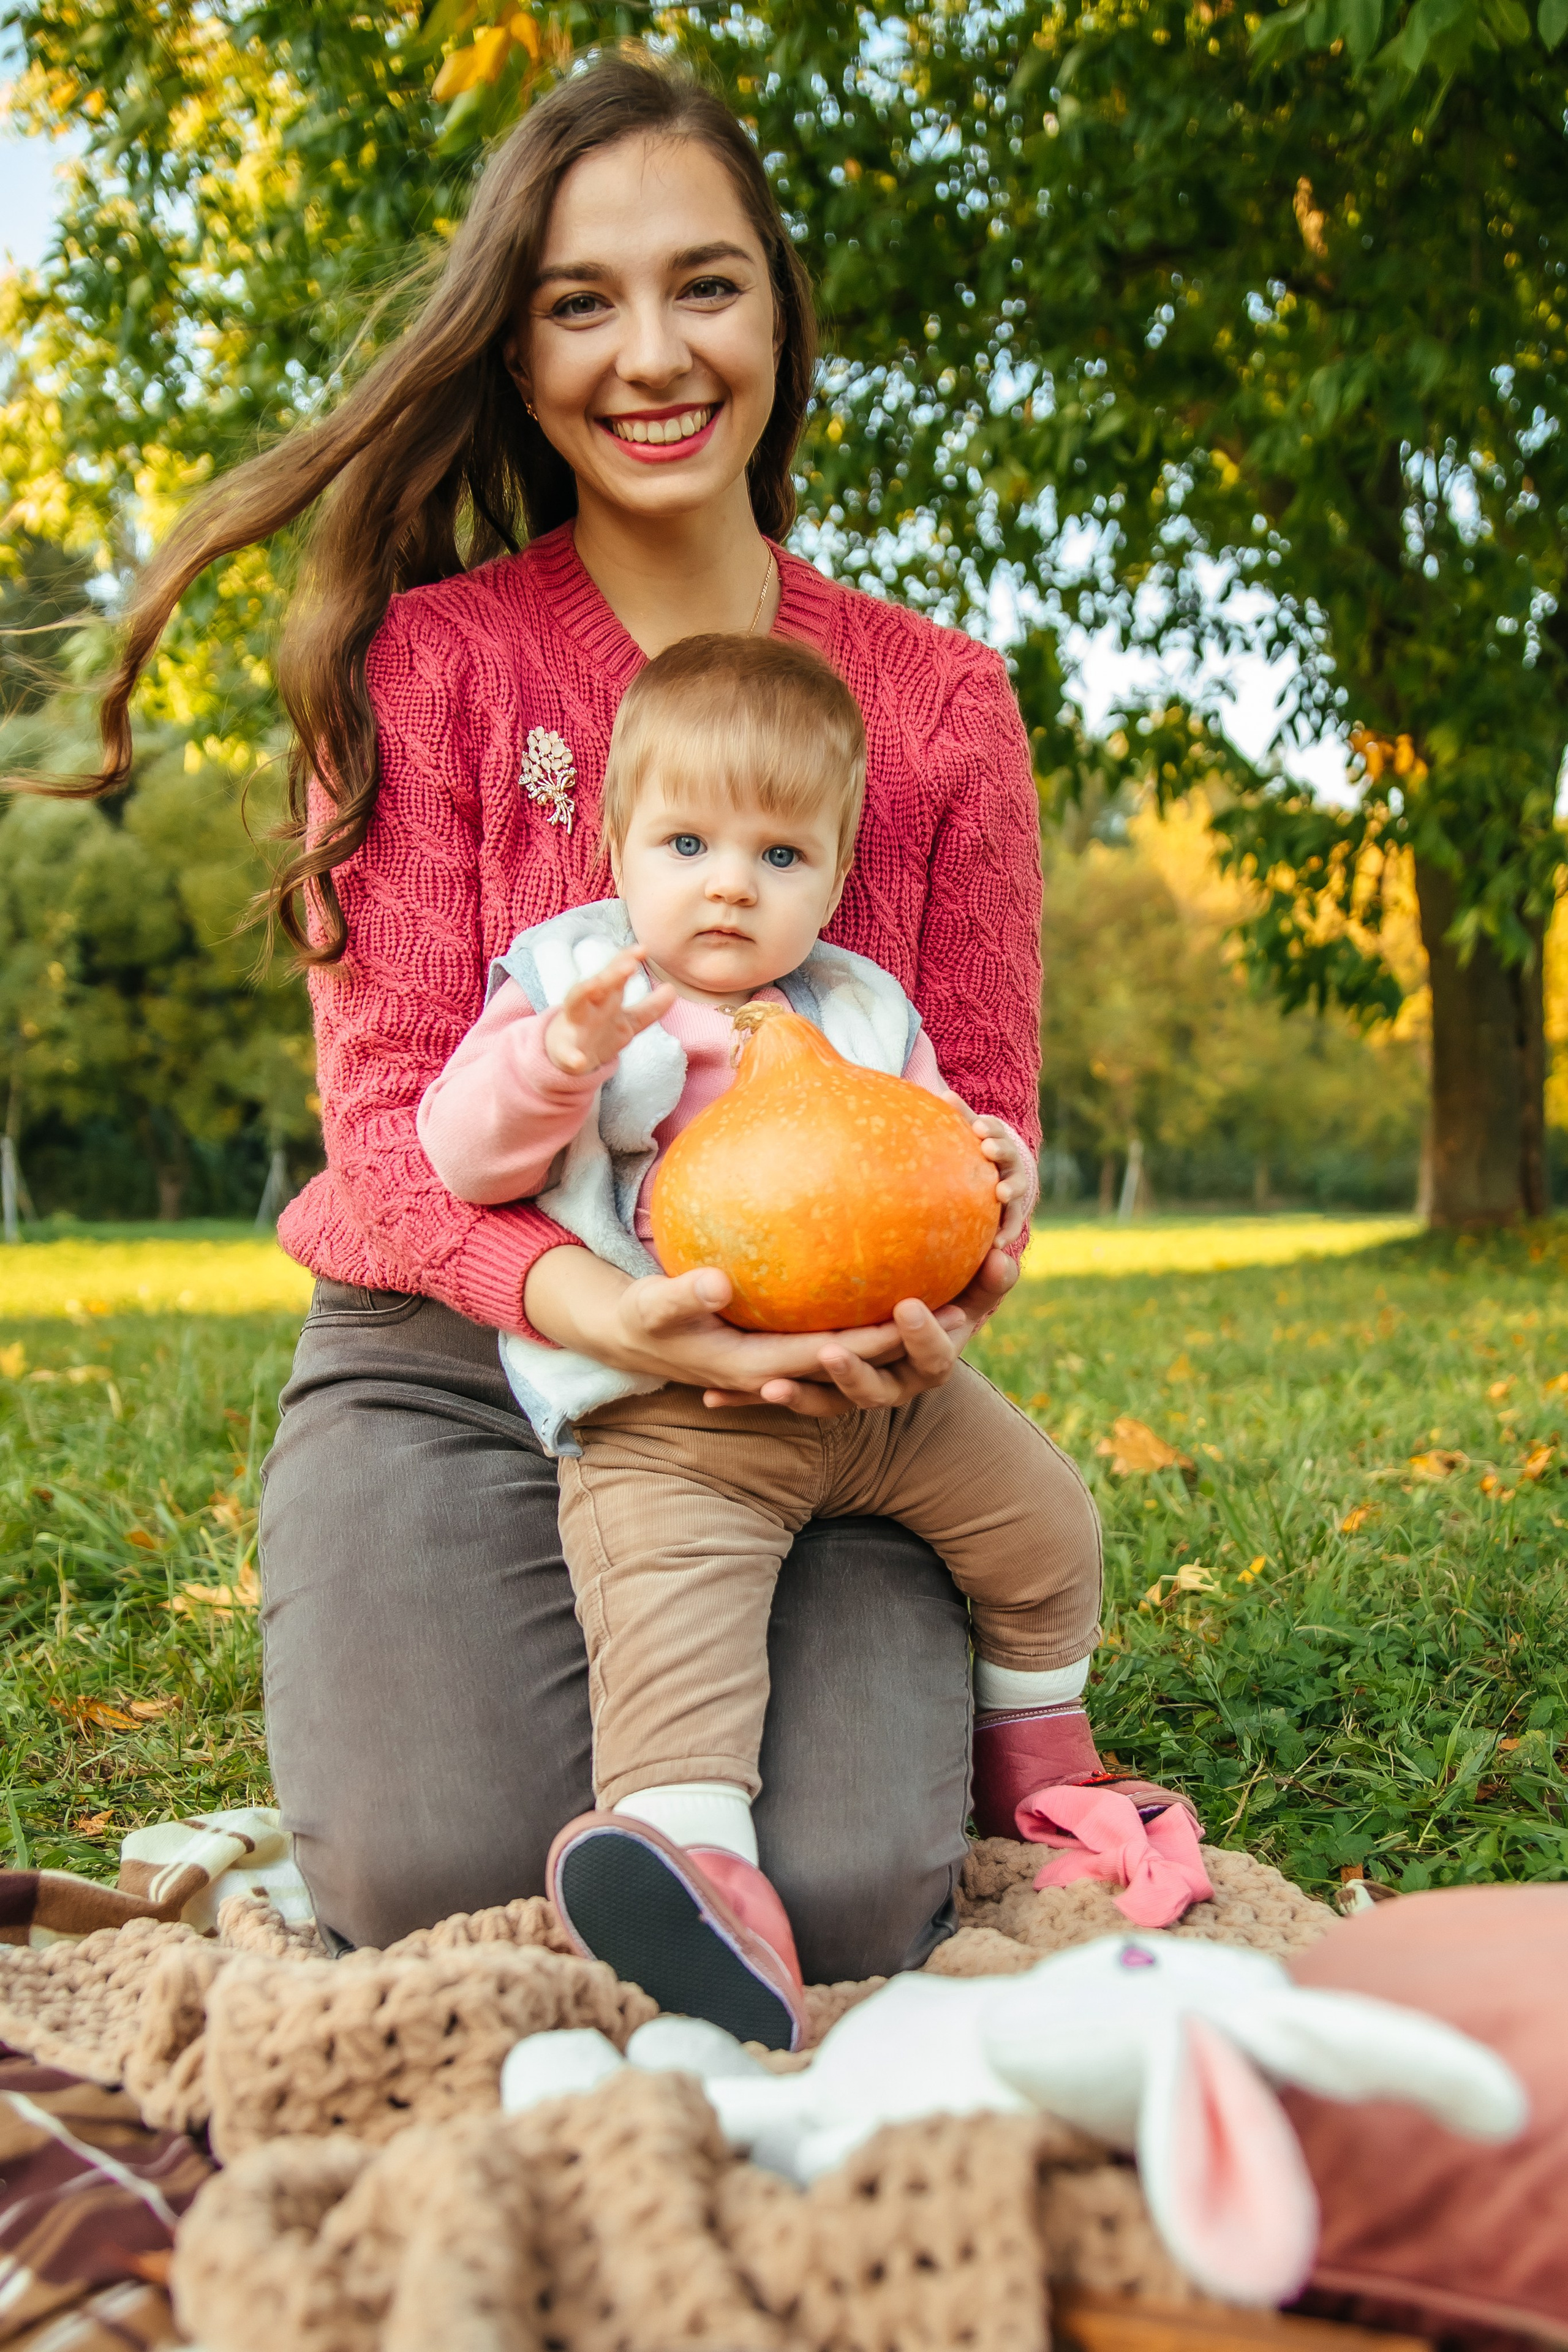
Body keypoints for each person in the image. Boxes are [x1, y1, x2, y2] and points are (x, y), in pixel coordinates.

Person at [88, 50, 1066, 1971]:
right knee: (436, 1873)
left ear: (781, 310)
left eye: (705, 284)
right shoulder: (430, 668)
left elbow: (980, 1126)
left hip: (801, 1402)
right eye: (578, 303)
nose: (652, 354)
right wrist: (608, 1310)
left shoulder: (940, 707)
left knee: (862, 1894)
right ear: (517, 354)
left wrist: (974, 1241)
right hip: (457, 1359)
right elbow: (385, 1146)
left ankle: (684, 1791)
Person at [419, 635, 1188, 2048]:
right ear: (617, 847)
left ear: (833, 878)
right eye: (690, 841)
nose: (730, 882)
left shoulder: (861, 1009)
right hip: (672, 1418)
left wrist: (994, 1182)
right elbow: (458, 1157)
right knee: (675, 1633)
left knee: (1047, 1528)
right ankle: (697, 1876)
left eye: (781, 858)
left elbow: (931, 1154)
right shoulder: (573, 985)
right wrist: (556, 1064)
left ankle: (1036, 1751)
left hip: (881, 1392)